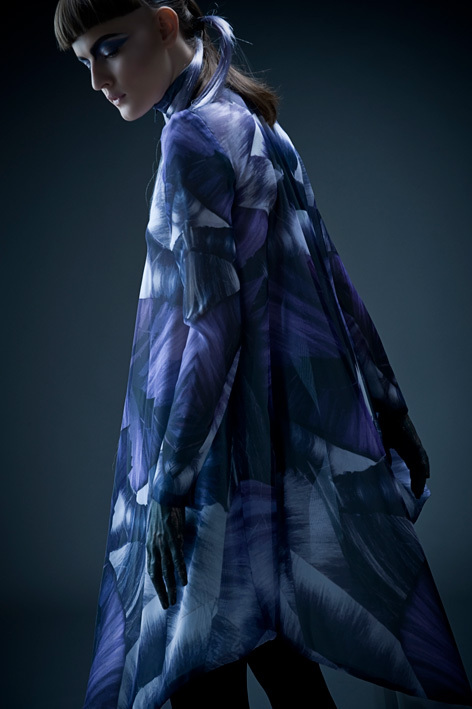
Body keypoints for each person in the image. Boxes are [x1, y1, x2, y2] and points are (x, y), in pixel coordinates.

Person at [54, 2, 472, 708]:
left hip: (209, 456)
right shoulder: (254, 122)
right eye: (84, 60)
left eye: (108, 47)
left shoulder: (191, 138)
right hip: (260, 455)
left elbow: (214, 329)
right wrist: (391, 409)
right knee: (268, 640)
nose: (98, 79)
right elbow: (330, 278)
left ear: (164, 23)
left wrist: (172, 486)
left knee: (204, 659)